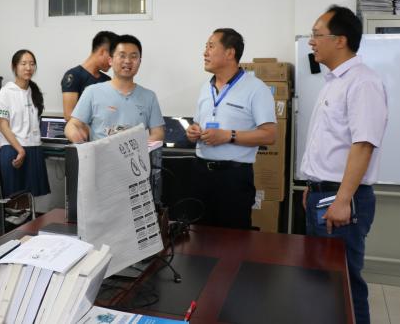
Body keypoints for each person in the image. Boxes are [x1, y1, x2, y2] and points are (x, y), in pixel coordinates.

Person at [300, 5, 387, 324]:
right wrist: (313, 185)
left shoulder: (362, 82)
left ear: (340, 40)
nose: (311, 41)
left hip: (341, 199)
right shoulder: (333, 82)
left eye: (316, 34)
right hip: (324, 194)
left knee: (345, 284)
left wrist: (342, 199)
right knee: (322, 280)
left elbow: (363, 145)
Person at [186, 28, 277, 229]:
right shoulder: (205, 87)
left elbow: (269, 135)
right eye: (205, 47)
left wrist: (228, 136)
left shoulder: (256, 88)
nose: (205, 52)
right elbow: (198, 123)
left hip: (233, 179)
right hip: (200, 173)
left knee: (232, 240)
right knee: (199, 236)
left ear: (230, 53)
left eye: (211, 46)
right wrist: (193, 131)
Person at [64, 34, 164, 142]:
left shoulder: (149, 97)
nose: (128, 61)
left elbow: (158, 133)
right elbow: (72, 125)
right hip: (100, 152)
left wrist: (139, 146)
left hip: (136, 152)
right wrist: (74, 134)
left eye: (133, 56)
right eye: (122, 56)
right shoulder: (92, 92)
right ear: (110, 60)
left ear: (140, 61)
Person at [0, 49, 50, 197]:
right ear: (14, 66)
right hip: (13, 149)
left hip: (34, 148)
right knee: (14, 198)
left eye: (32, 64)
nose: (28, 68)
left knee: (31, 197)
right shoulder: (5, 93)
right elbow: (3, 126)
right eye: (23, 64)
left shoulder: (34, 91)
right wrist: (20, 150)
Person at [61, 31, 118, 121]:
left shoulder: (107, 80)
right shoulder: (73, 75)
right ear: (103, 52)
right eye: (112, 56)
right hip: (82, 130)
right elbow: (69, 115)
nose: (113, 62)